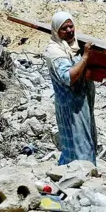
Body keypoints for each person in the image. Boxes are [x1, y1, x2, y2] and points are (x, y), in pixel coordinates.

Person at [44, 12, 98, 166]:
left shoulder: (74, 47)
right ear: (56, 31)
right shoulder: (55, 51)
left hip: (82, 103)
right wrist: (86, 57)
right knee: (79, 141)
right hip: (70, 106)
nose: (69, 30)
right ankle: (82, 174)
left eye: (71, 26)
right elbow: (69, 77)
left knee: (86, 139)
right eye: (63, 28)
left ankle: (73, 172)